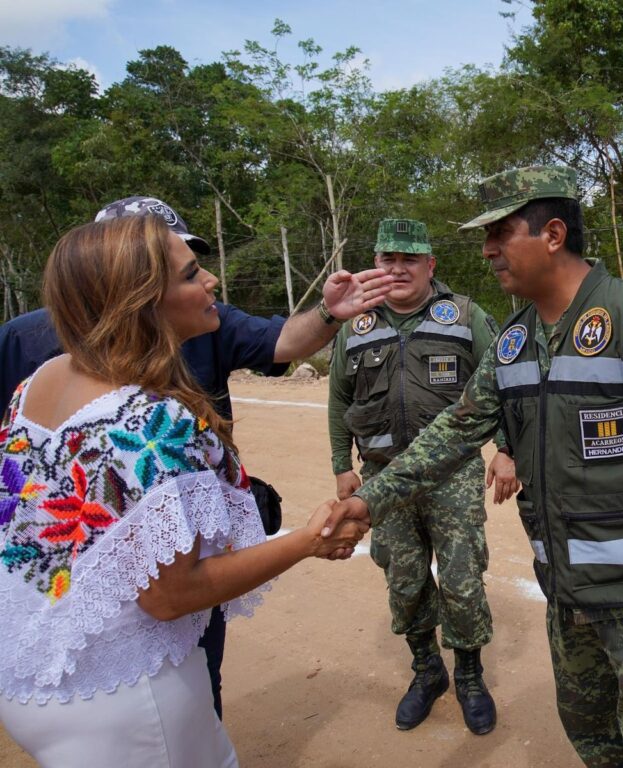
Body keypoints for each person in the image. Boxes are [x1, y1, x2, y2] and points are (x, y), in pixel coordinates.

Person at [322, 167, 623, 767]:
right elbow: (455, 430)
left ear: (551, 233)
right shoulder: (513, 342)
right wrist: (369, 499)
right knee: (592, 737)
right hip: (566, 596)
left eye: (500, 231)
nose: (488, 249)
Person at [0, 195, 393, 719]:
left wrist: (326, 312)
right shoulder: (148, 420)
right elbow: (167, 596)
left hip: (52, 656)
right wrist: (307, 540)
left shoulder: (40, 380)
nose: (211, 282)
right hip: (129, 675)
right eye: (188, 271)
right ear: (133, 288)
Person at [328, 217, 516, 735]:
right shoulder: (356, 325)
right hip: (383, 476)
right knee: (404, 581)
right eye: (388, 259)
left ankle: (470, 676)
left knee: (460, 579)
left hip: (451, 474)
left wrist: (506, 449)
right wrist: (343, 464)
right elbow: (339, 397)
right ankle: (427, 670)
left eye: (409, 259)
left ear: (430, 264)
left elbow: (508, 381)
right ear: (376, 264)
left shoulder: (466, 317)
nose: (397, 269)